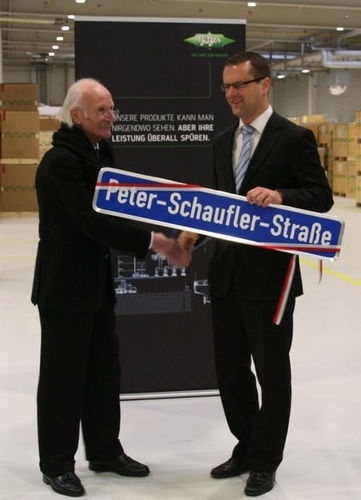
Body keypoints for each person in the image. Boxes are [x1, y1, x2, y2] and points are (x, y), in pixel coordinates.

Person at [31, 78, 189, 497]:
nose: (111, 117)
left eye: (112, 109)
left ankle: (104, 451)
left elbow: (122, 205)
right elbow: (90, 220)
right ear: (77, 114)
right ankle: (57, 464)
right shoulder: (61, 161)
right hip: (65, 289)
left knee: (103, 371)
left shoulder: (100, 152)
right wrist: (154, 241)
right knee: (63, 378)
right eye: (102, 110)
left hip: (96, 284)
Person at [207, 52, 334, 496]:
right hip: (226, 276)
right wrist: (191, 237)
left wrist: (281, 195)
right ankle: (245, 445)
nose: (231, 94)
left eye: (239, 85)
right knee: (230, 371)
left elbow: (321, 197)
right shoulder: (222, 140)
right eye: (225, 87)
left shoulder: (294, 138)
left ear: (265, 84)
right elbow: (217, 209)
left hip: (271, 280)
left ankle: (265, 460)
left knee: (272, 372)